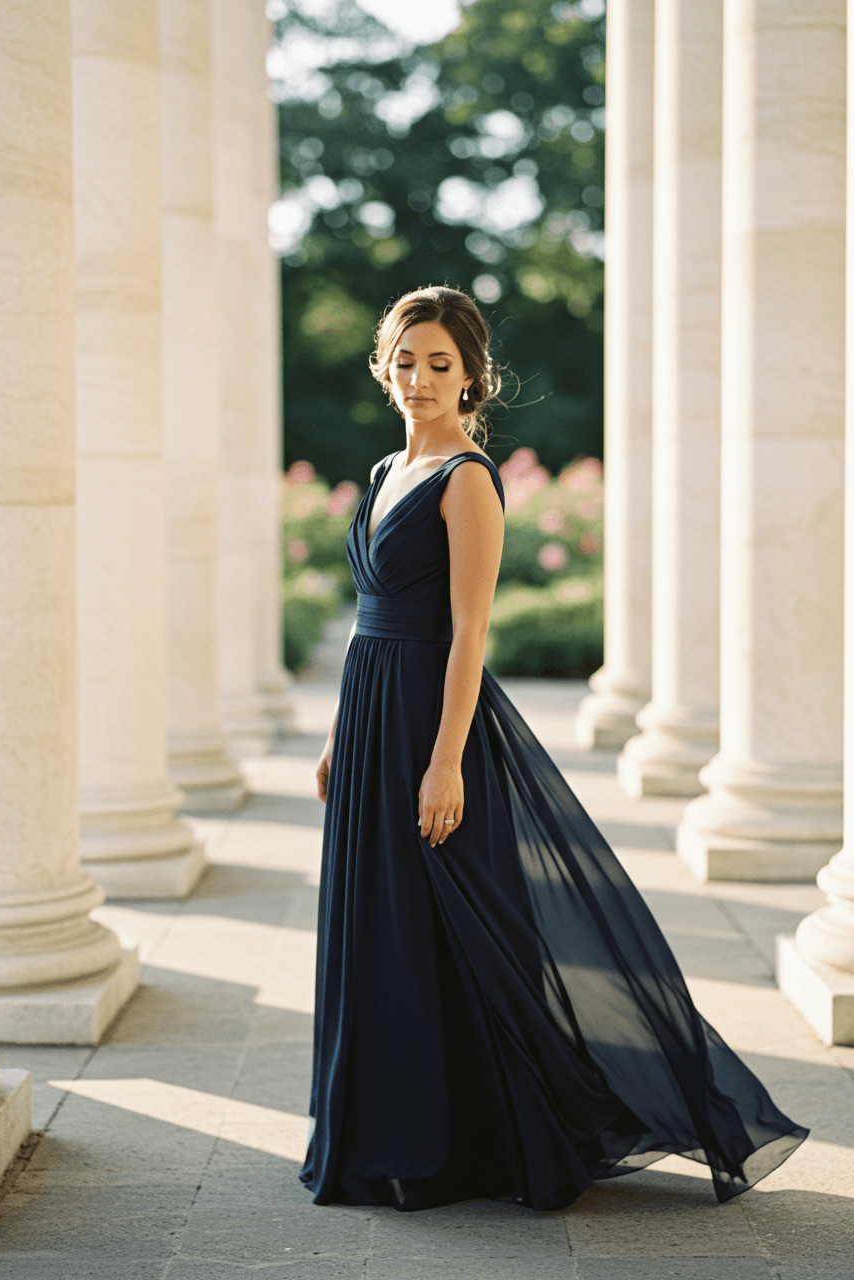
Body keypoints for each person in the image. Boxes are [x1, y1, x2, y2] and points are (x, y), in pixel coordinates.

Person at [300, 285, 807, 1212]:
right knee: (381, 926)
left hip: (431, 724)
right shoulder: (382, 474)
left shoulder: (467, 480)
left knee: (456, 932)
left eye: (439, 364)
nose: (418, 378)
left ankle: (473, 1140)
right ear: (383, 367)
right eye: (405, 360)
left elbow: (466, 633)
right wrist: (340, 733)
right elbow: (366, 625)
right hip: (371, 718)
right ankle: (387, 1135)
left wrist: (446, 758)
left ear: (470, 378)